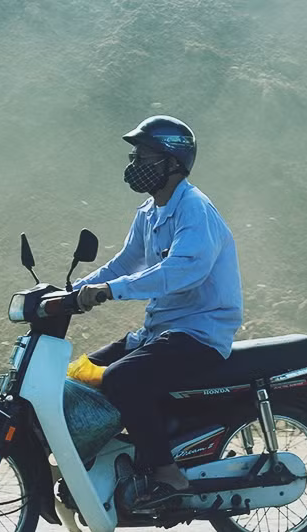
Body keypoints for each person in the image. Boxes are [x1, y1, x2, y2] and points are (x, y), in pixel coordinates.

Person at [72, 115, 243, 511]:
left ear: (172, 162)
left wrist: (109, 292)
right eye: (134, 156)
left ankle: (168, 473)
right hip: (161, 331)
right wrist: (70, 291)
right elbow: (122, 264)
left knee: (122, 378)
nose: (134, 165)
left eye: (144, 156)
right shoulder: (149, 212)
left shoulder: (195, 210)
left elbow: (180, 272)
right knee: (80, 378)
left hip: (199, 333)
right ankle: (109, 465)